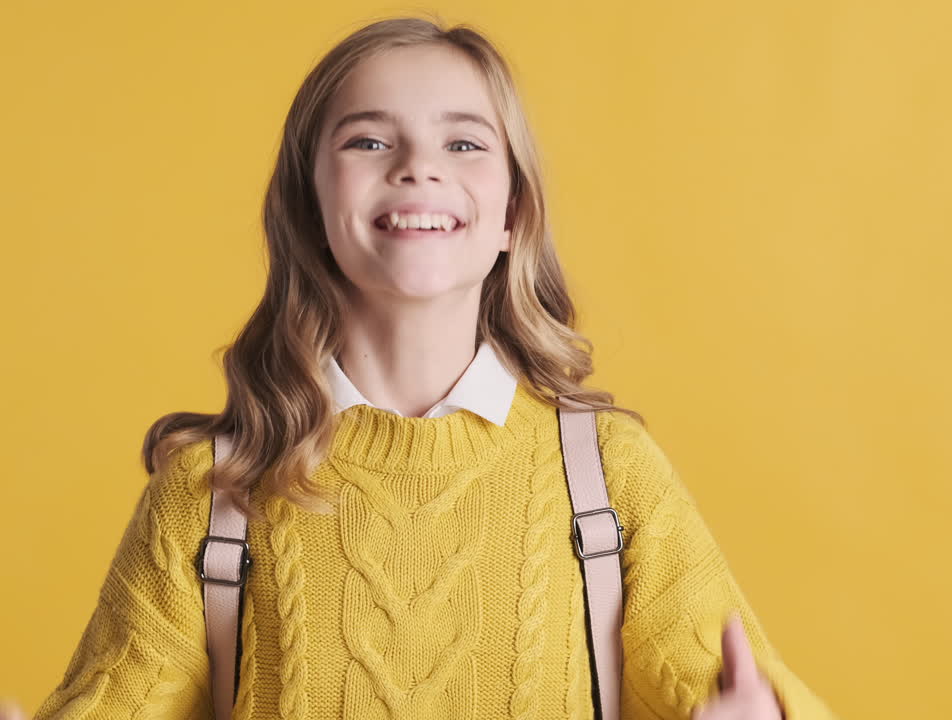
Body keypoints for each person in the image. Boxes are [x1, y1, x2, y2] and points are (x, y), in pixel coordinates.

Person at [27, 15, 838, 720]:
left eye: (463, 142)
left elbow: (743, 691)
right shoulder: (213, 495)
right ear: (309, 209)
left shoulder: (609, 479)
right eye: (369, 140)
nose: (418, 166)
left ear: (513, 213)